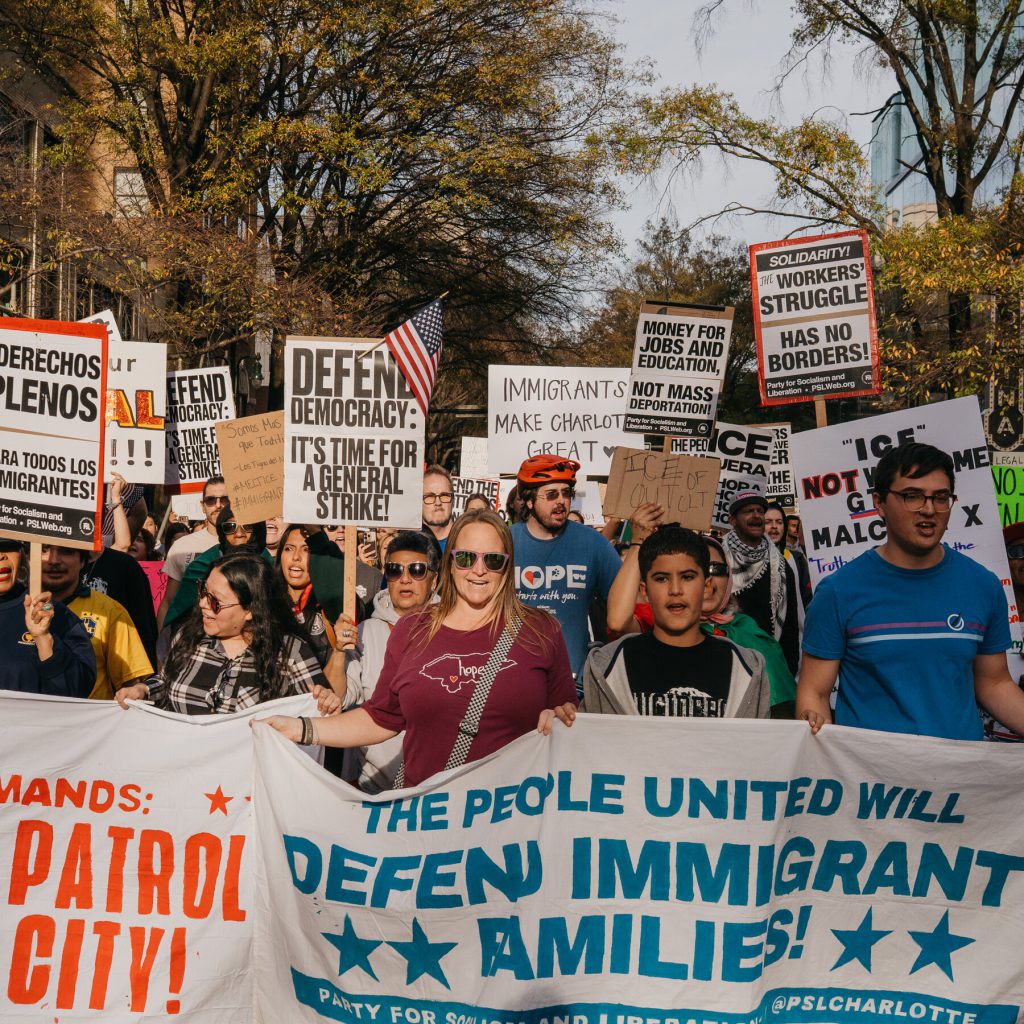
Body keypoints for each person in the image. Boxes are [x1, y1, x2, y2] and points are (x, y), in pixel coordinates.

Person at [259, 510, 576, 786]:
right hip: (425, 818)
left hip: (509, 815)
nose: (478, 570)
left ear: (507, 566)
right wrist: (301, 728)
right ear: (450, 564)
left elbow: (569, 719)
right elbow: (380, 717)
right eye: (466, 558)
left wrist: (560, 718)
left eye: (492, 560)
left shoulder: (541, 630)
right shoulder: (412, 629)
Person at [797, 441, 1024, 739]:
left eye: (941, 498)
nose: (929, 510)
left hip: (963, 778)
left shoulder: (983, 585)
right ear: (879, 503)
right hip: (872, 780)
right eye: (912, 496)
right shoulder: (838, 592)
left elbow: (994, 683)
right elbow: (814, 692)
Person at [582, 526, 769, 718]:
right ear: (644, 591)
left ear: (706, 586)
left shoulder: (746, 668)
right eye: (662, 579)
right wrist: (560, 722)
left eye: (687, 577)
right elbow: (588, 739)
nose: (675, 590)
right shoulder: (608, 667)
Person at [117, 552, 334, 714]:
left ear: (250, 610)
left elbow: (317, 712)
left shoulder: (291, 652)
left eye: (215, 601)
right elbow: (166, 681)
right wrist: (144, 689)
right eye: (203, 591)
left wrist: (326, 701)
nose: (202, 603)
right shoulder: (188, 636)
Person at [343, 530, 440, 792]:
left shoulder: (454, 628)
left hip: (439, 788)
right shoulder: (365, 630)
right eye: (395, 570)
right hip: (376, 789)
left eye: (417, 570)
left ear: (434, 580)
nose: (405, 579)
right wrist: (337, 652)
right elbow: (341, 698)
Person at [511, 455, 622, 679]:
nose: (561, 501)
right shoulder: (505, 541)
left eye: (567, 493)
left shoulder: (593, 543)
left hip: (574, 683)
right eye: (551, 494)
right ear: (529, 501)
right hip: (514, 678)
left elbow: (626, 604)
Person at [40, 544, 152, 699]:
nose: (53, 560)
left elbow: (130, 683)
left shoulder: (111, 611)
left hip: (89, 722)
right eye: (43, 549)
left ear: (83, 561)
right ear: (28, 556)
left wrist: (136, 691)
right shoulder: (11, 608)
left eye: (67, 551)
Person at [0, 538, 96, 696]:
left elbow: (77, 690)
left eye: (8, 546)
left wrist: (44, 638)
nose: (1, 557)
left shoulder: (50, 611)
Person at [723, 491, 802, 675]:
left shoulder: (781, 567)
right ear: (732, 520)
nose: (756, 515)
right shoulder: (719, 560)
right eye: (748, 511)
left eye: (760, 510)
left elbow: (790, 627)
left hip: (771, 666)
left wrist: (787, 671)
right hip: (729, 664)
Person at [163, 510, 268, 627]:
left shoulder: (269, 566)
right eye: (230, 527)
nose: (239, 533)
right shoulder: (202, 565)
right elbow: (177, 614)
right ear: (222, 531)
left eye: (247, 526)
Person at [276, 524, 349, 691]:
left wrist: (316, 534)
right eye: (288, 548)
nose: (295, 557)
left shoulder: (330, 606)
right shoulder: (265, 602)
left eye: (306, 550)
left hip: (319, 706)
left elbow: (335, 576)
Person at [159, 476, 228, 627]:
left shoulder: (246, 544)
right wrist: (161, 642)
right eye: (211, 500)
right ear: (203, 506)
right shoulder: (182, 546)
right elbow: (168, 600)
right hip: (189, 637)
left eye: (224, 499)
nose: (218, 505)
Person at [765, 500, 812, 608]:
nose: (774, 526)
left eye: (779, 522)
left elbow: (808, 598)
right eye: (767, 522)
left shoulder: (797, 558)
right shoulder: (748, 560)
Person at [422, 464, 455, 550]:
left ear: (453, 500)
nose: (438, 502)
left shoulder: (465, 541)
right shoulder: (407, 544)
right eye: (430, 496)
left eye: (444, 495)